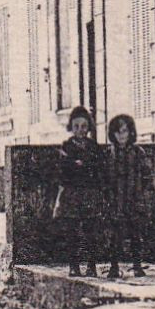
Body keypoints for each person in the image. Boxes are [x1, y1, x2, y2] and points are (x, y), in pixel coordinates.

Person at [54, 106, 105, 277]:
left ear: (88, 127)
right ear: (71, 127)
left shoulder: (94, 146)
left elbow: (98, 167)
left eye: (84, 126)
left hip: (90, 193)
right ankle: (74, 266)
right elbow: (62, 169)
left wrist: (83, 165)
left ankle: (91, 265)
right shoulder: (66, 146)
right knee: (72, 231)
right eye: (76, 126)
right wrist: (74, 165)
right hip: (72, 194)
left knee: (91, 230)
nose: (80, 130)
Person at [105, 113, 148, 279]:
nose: (121, 135)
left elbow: (146, 175)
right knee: (115, 234)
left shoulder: (138, 152)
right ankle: (113, 267)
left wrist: (140, 193)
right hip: (116, 200)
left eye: (124, 131)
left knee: (136, 233)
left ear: (131, 133)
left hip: (134, 198)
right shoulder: (110, 153)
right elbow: (105, 177)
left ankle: (137, 265)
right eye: (117, 132)